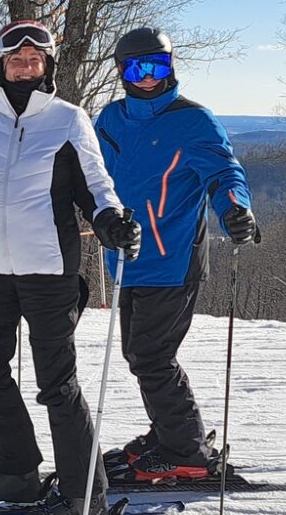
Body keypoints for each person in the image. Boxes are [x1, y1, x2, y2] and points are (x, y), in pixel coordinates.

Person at [0, 19, 138, 515]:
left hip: (50, 270)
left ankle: (85, 499)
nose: (25, 67)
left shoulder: (68, 120)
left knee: (57, 384)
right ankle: (17, 472)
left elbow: (96, 187)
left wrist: (112, 219)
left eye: (35, 60)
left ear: (48, 67)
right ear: (0, 67)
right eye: (16, 60)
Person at [93, 27, 257, 483]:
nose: (147, 78)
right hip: (126, 258)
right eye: (136, 68)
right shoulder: (110, 118)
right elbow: (93, 177)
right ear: (121, 70)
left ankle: (185, 449)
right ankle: (168, 431)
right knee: (139, 353)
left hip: (173, 258)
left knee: (151, 356)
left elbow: (225, 175)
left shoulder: (193, 120)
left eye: (158, 67)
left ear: (172, 66)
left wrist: (235, 210)